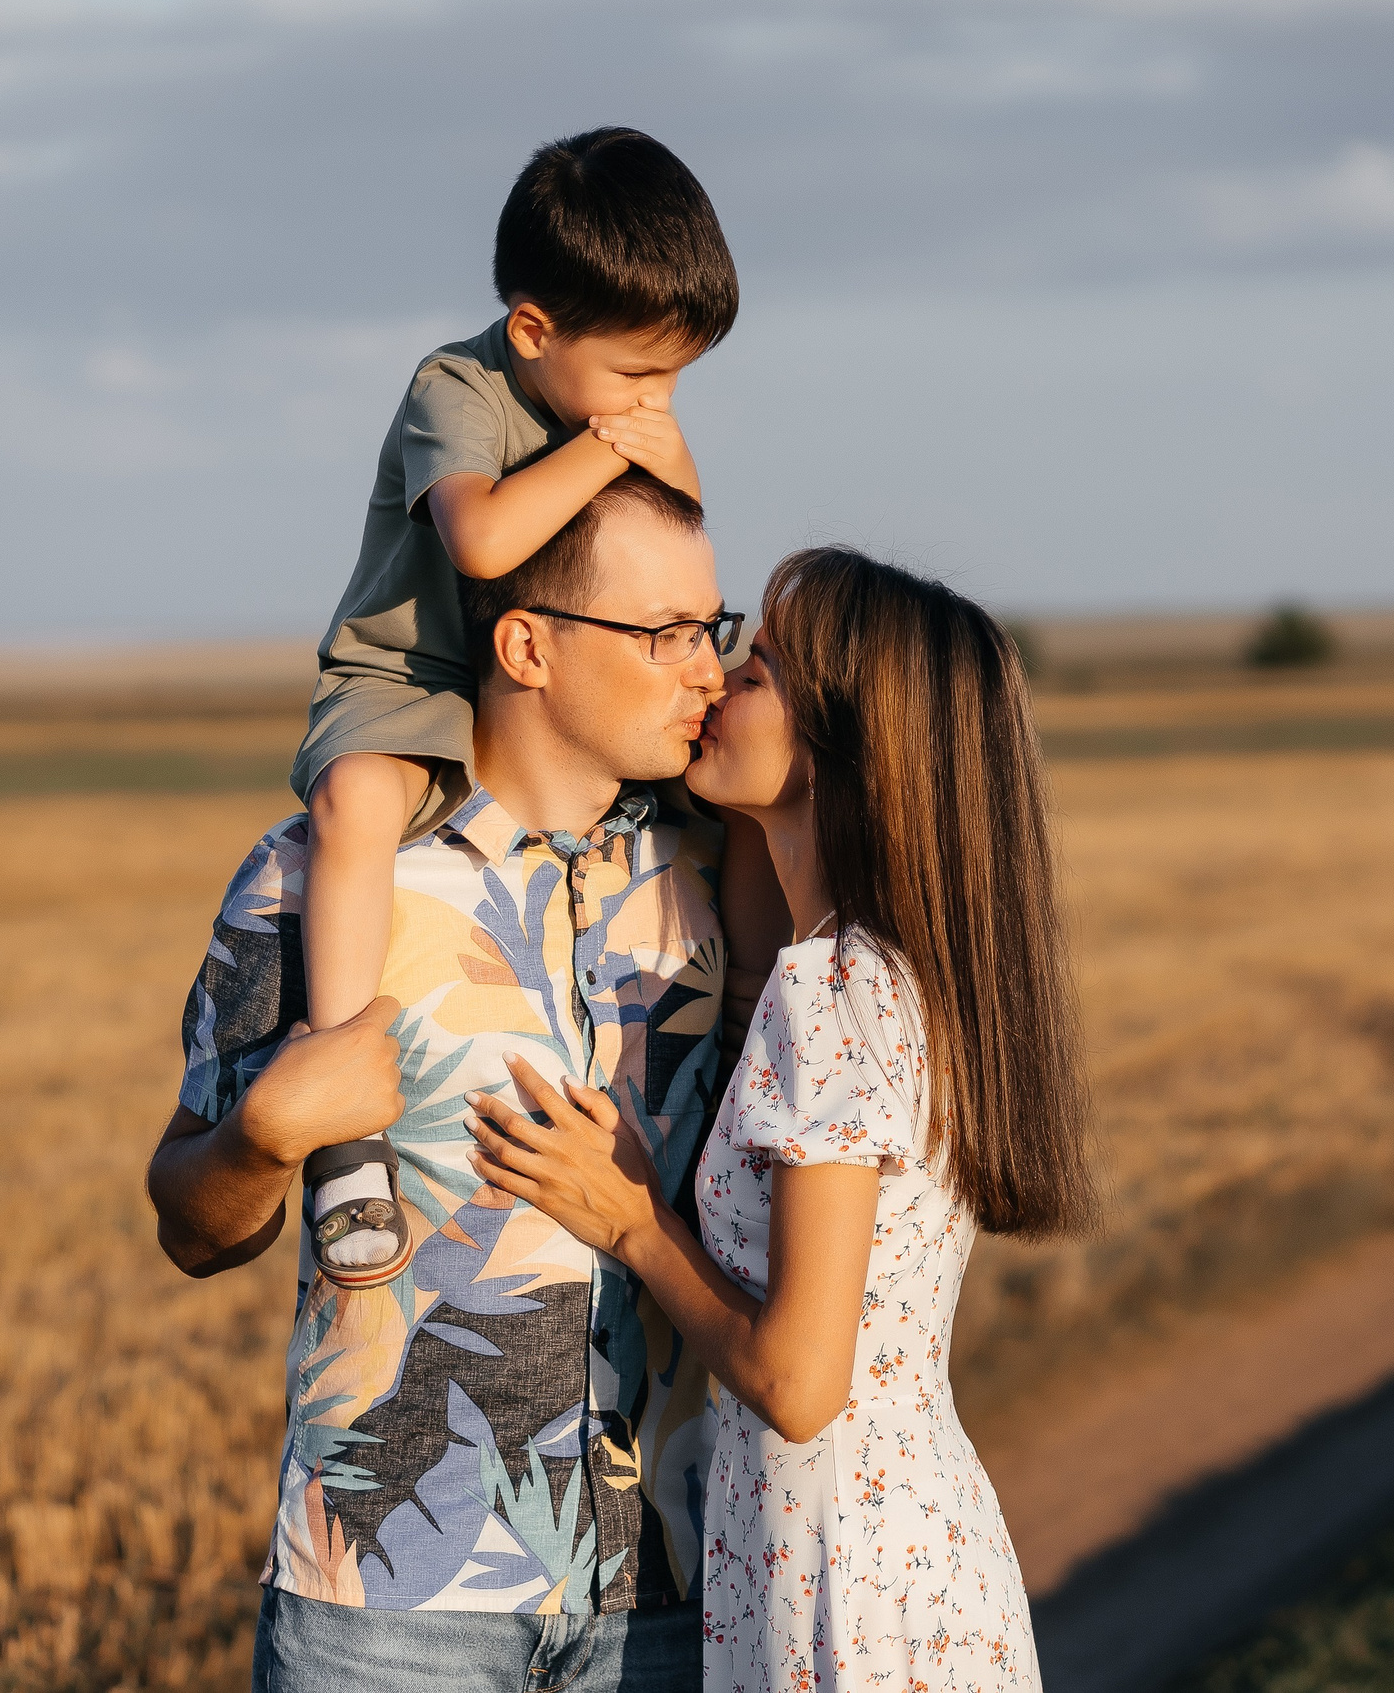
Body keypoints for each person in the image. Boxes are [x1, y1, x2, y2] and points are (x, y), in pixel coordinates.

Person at [148, 473, 767, 1693]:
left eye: (715, 628)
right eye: (667, 634)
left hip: (683, 1592)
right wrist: (264, 1140)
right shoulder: (322, 881)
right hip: (389, 1618)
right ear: (527, 645)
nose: (707, 669)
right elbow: (189, 1225)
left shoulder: (730, 868)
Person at [464, 546, 1098, 1693]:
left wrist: (631, 1222)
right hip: (894, 1550)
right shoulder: (881, 972)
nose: (711, 679)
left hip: (843, 1584)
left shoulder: (838, 989)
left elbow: (801, 1383)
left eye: (754, 668)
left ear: (848, 749)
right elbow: (752, 933)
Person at [289, 126, 754, 1289]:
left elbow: (677, 530)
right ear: (535, 330)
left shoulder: (607, 402)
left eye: (674, 378)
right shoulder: (457, 386)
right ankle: (347, 1125)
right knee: (354, 809)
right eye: (639, 375)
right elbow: (484, 535)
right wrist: (611, 449)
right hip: (410, 678)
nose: (657, 402)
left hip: (542, 705)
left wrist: (649, 453)